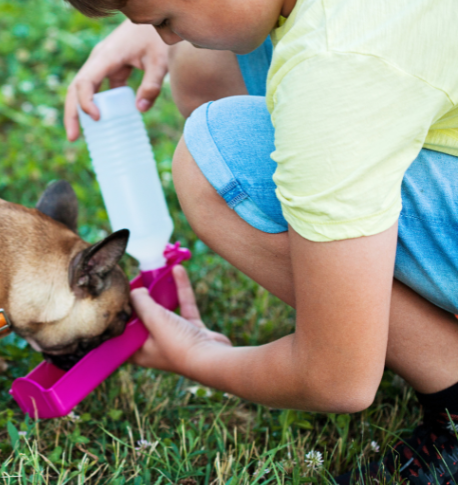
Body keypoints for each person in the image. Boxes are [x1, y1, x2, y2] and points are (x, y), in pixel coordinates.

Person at [62, 0, 458, 482]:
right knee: (205, 57)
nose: (165, 38)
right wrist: (147, 25)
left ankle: (452, 389)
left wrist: (197, 355)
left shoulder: (335, 68)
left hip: (346, 79)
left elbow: (337, 380)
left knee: (217, 156)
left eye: (163, 21)